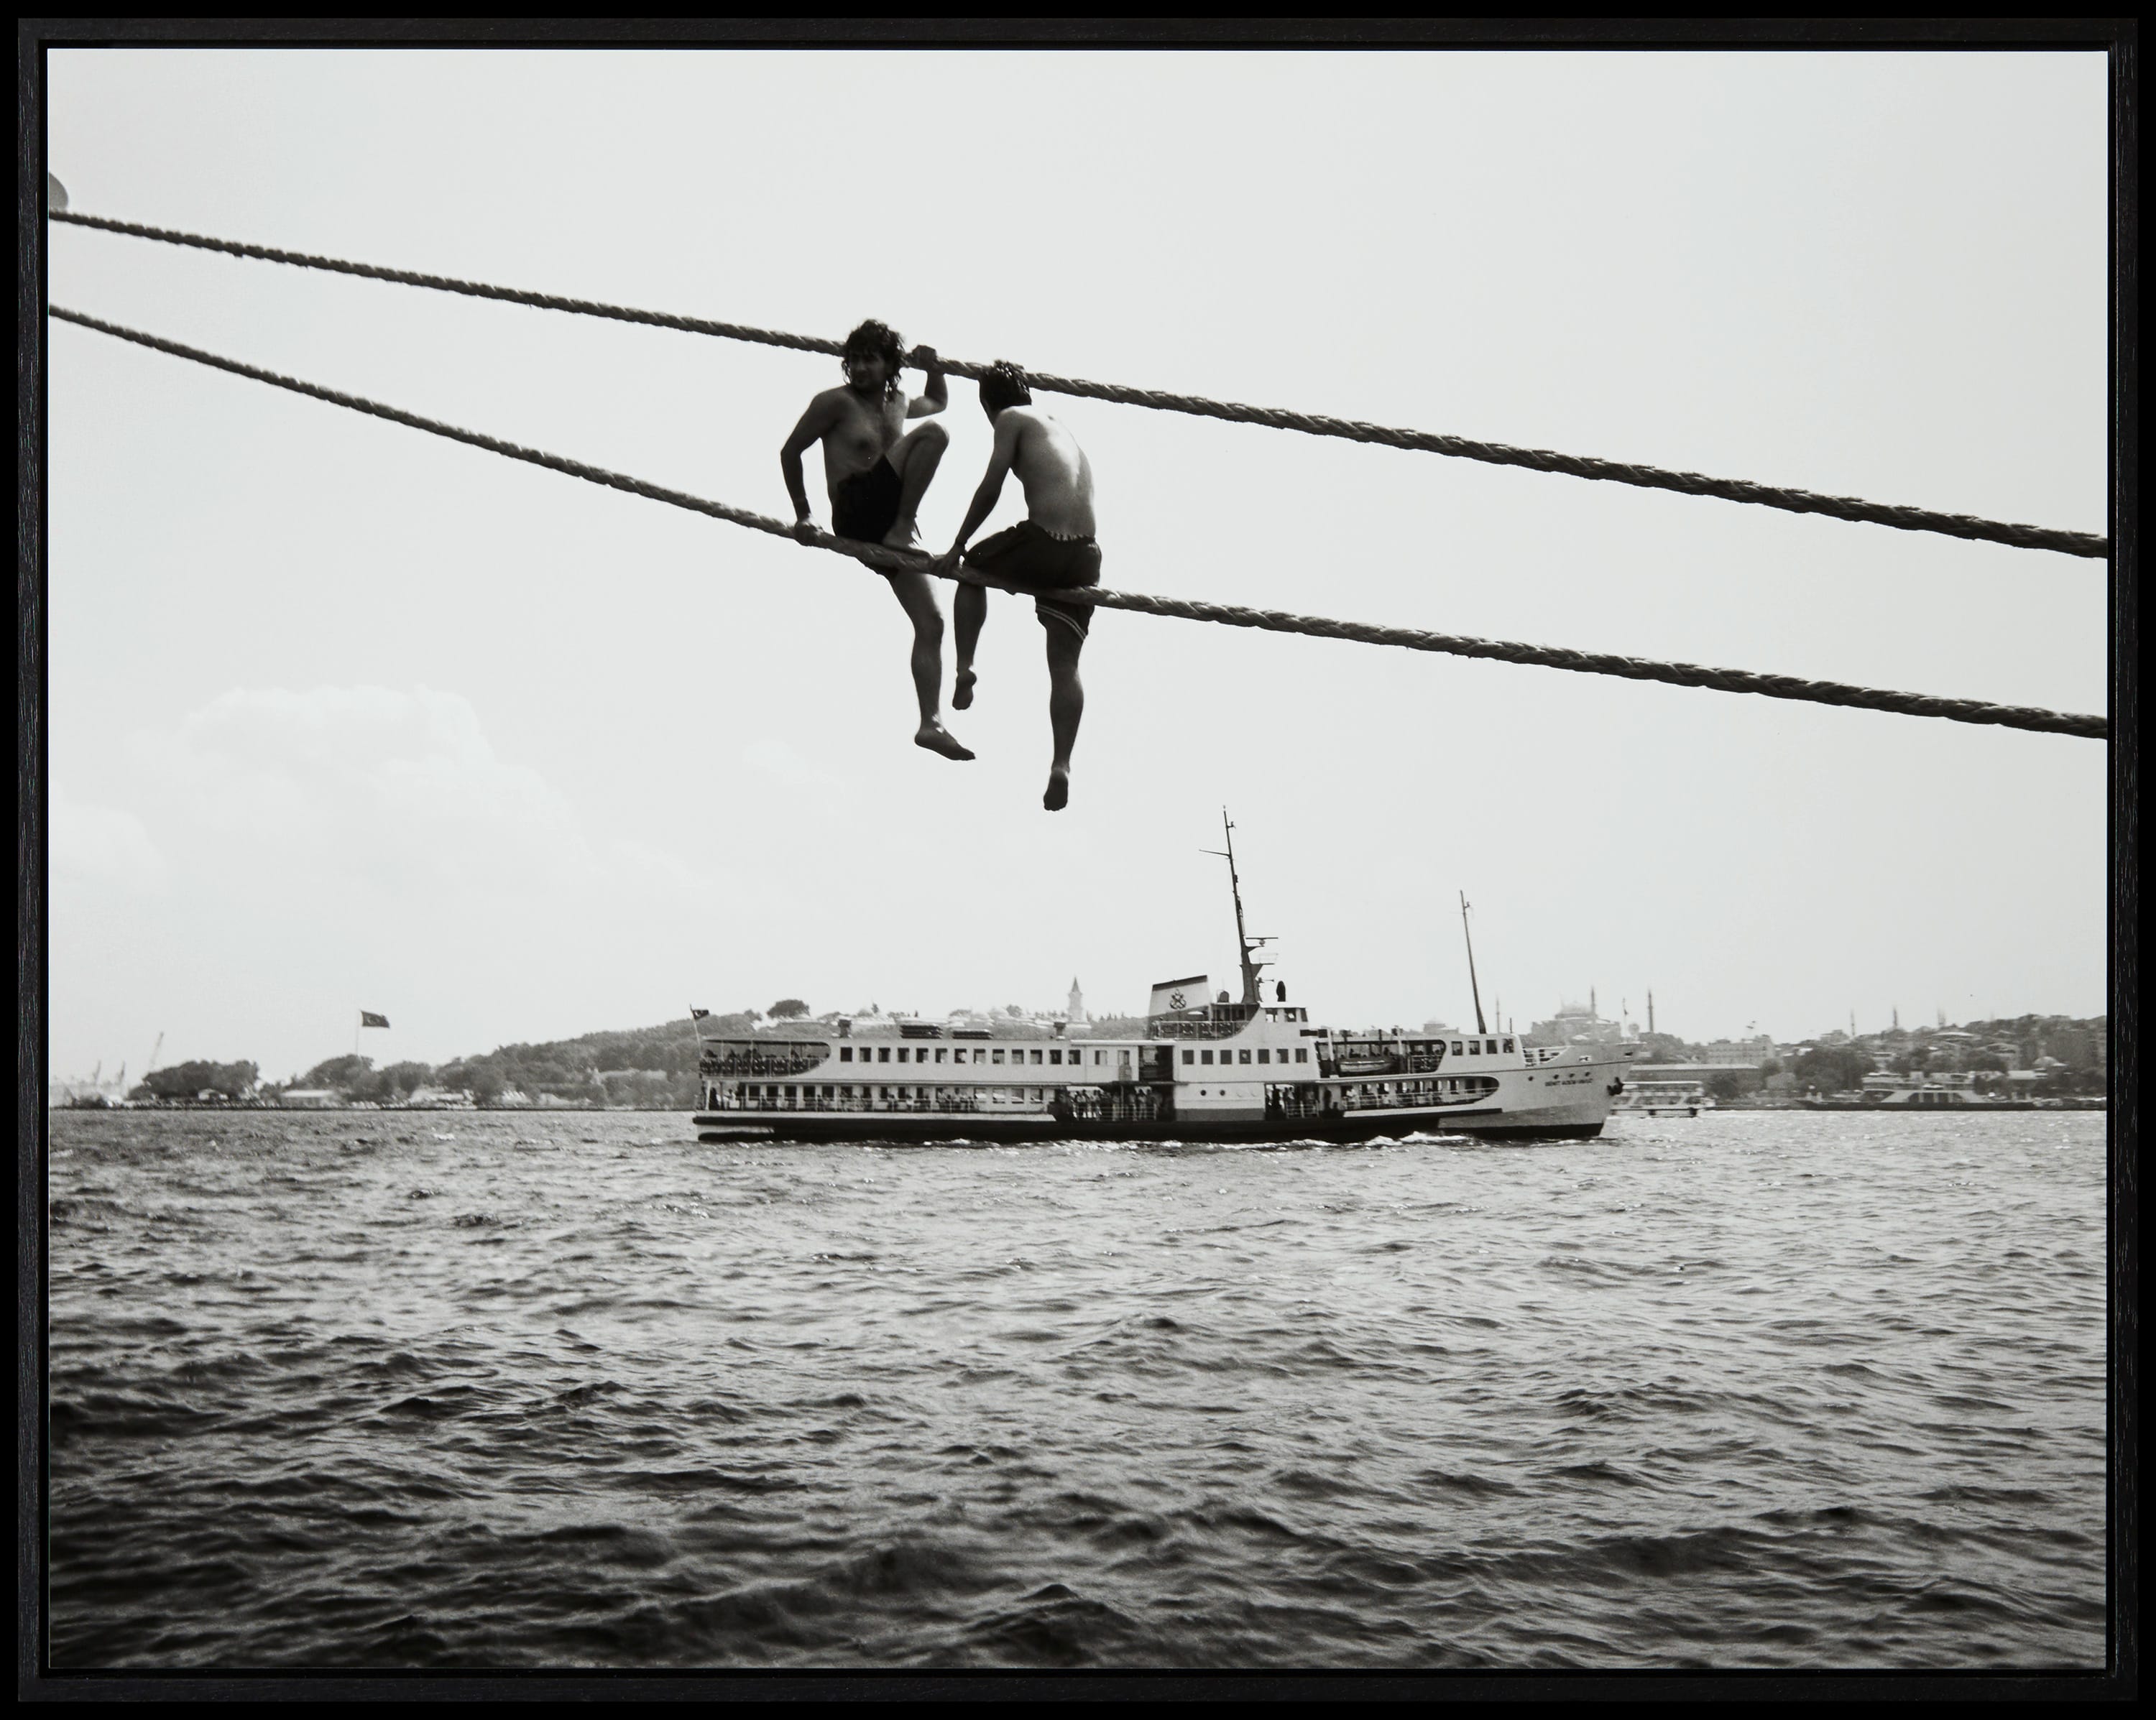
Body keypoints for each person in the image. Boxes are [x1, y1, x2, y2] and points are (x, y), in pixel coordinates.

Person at [780, 319, 972, 761]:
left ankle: (931, 723)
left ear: (891, 366)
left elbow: (938, 401)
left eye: (872, 359)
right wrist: (804, 515)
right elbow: (791, 451)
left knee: (932, 622)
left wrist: (934, 367)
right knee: (936, 437)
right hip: (856, 509)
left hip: (888, 526)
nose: (861, 368)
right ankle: (904, 526)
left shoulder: (899, 402)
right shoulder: (834, 403)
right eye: (855, 360)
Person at [931, 362, 1100, 811]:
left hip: (1044, 543)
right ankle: (1061, 763)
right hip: (1086, 556)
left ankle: (965, 666)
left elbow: (991, 487)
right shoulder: (1061, 428)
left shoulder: (1008, 419)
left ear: (989, 403)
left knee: (970, 568)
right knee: (1065, 666)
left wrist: (957, 544)